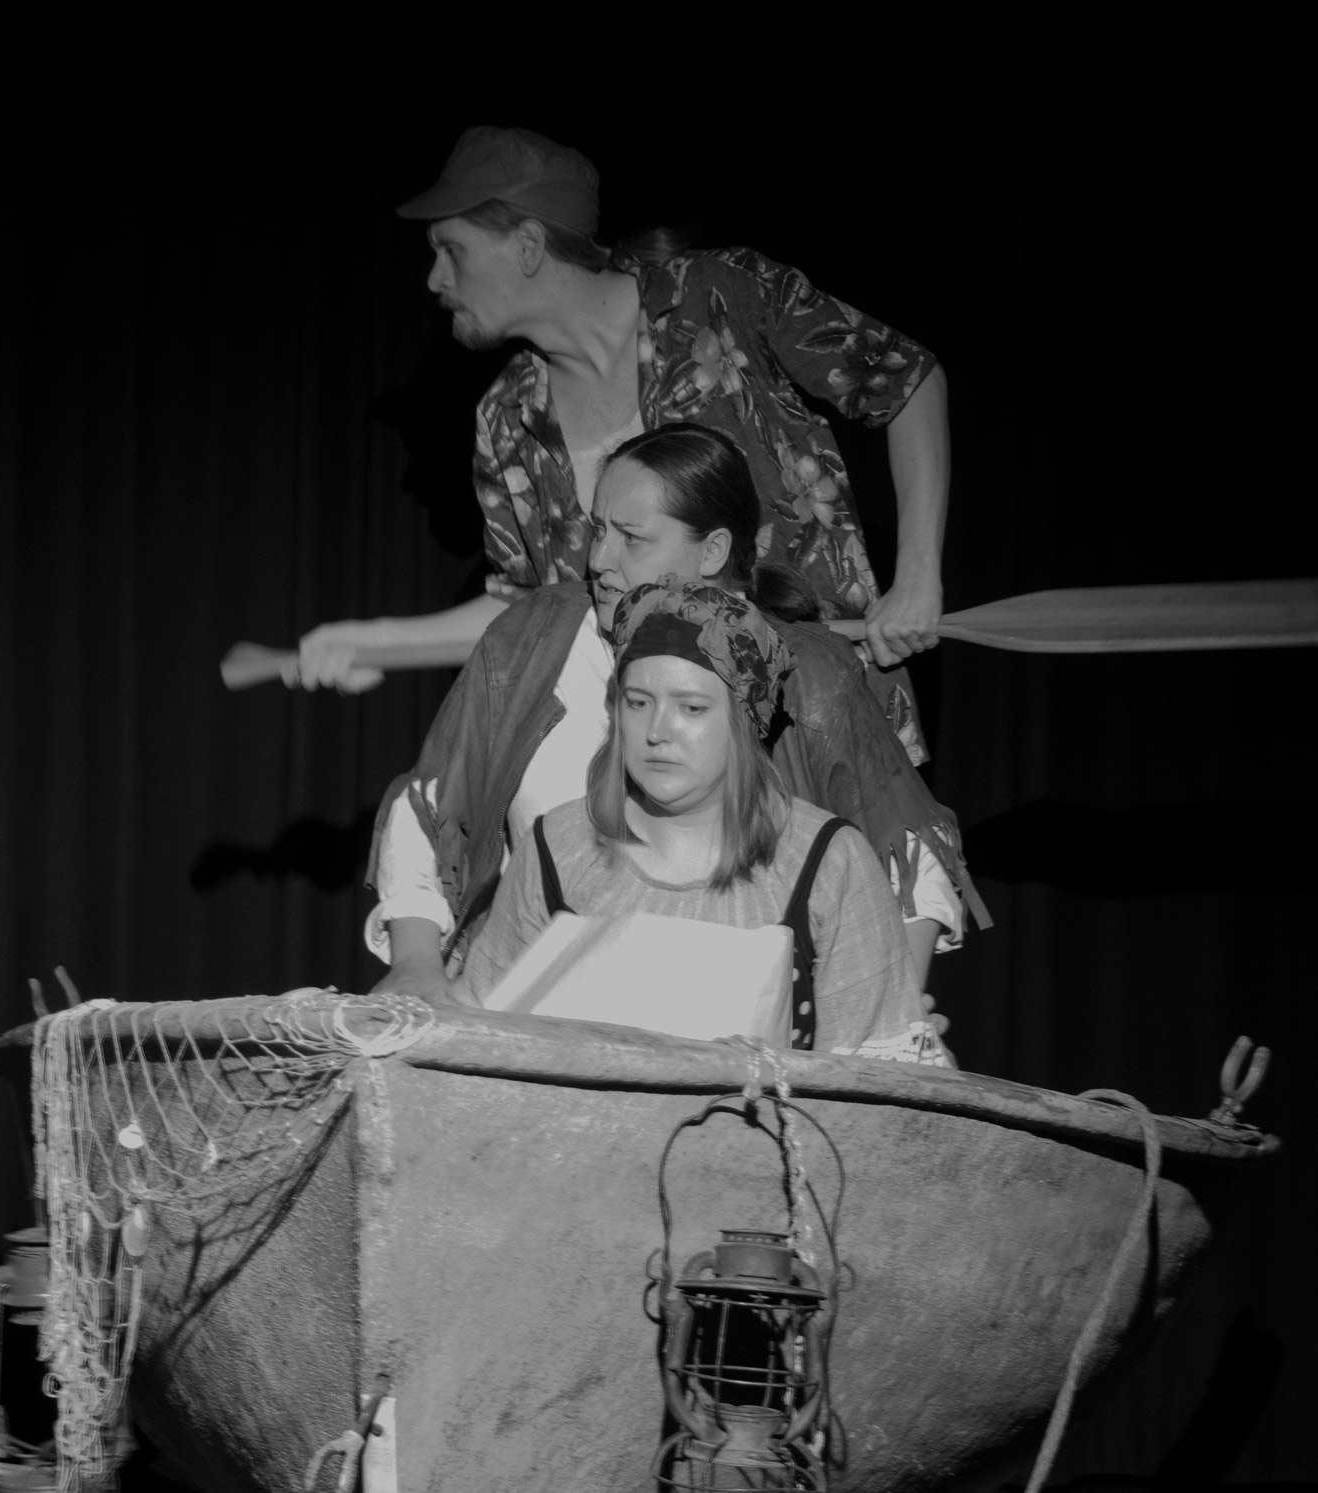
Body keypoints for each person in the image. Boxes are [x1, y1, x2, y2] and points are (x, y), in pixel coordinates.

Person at [297, 125, 951, 758]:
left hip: (817, 731)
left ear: (527, 246)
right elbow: (531, 610)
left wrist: (918, 573)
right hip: (666, 767)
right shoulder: (509, 416)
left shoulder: (719, 295)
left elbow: (908, 381)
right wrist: (375, 642)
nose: (435, 279)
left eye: (452, 251)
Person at [367, 424, 988, 1014]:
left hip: (736, 1036)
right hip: (536, 1014)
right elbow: (434, 801)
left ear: (712, 550)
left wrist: (888, 1015)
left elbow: (909, 855)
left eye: (632, 538)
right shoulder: (535, 638)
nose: (600, 559)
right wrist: (416, 962)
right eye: (598, 530)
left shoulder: (807, 672)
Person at [460, 579, 949, 1063]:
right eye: (638, 702)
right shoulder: (558, 848)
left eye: (691, 708)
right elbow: (479, 1040)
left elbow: (870, 1081)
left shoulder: (826, 862)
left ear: (744, 719)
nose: (657, 732)